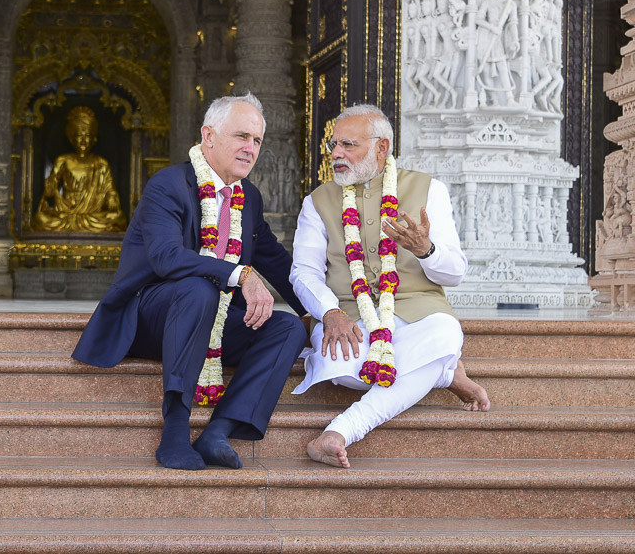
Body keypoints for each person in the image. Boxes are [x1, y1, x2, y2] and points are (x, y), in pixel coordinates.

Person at [72, 93, 307, 470]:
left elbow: (278, 265)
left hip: (213, 320)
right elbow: (167, 257)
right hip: (152, 316)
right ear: (208, 136)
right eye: (242, 136)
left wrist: (328, 314)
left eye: (257, 141)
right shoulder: (168, 185)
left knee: (287, 327)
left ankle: (218, 431)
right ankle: (175, 432)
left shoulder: (250, 198)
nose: (250, 149)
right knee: (199, 289)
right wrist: (239, 274)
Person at [290, 104, 490, 469]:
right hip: (349, 317)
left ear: (381, 148)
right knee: (348, 367)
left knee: (445, 333)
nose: (336, 154)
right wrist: (329, 312)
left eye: (349, 145)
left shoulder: (428, 189)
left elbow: (455, 272)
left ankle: (340, 431)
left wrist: (425, 250)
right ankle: (444, 371)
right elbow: (303, 273)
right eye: (335, 145)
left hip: (419, 312)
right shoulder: (317, 201)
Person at [32, 106, 126, 232]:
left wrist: (112, 198)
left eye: (87, 135)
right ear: (71, 138)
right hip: (66, 215)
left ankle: (80, 225)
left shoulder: (101, 163)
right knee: (40, 219)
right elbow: (51, 187)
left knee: (118, 218)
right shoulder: (63, 160)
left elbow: (109, 189)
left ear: (94, 139)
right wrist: (49, 190)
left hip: (93, 216)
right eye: (79, 135)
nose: (83, 140)